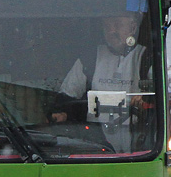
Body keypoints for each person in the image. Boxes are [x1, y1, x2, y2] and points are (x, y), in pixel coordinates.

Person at [50, 9, 154, 152]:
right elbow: (67, 94)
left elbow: (160, 94)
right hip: (96, 141)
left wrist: (145, 99)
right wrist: (62, 111)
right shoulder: (91, 57)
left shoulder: (146, 57)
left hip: (138, 139)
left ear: (133, 28)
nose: (111, 31)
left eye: (117, 25)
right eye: (107, 26)